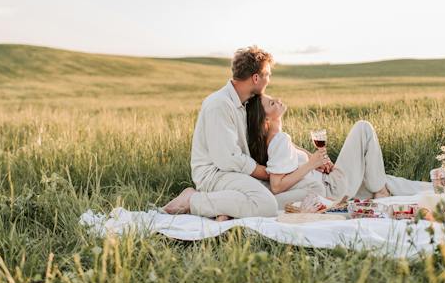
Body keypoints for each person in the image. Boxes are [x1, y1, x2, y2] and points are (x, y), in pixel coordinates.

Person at [162, 46, 278, 219]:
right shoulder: (219, 105)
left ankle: (224, 209)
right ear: (255, 78)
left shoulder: (245, 103)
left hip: (232, 173)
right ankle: (192, 200)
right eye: (267, 74)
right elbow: (228, 159)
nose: (269, 80)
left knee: (278, 194)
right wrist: (267, 173)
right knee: (267, 206)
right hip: (215, 175)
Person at [246, 93, 411, 209]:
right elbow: (276, 186)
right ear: (266, 119)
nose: (277, 100)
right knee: (363, 128)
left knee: (388, 180)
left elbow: (290, 150)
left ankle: (381, 187)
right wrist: (311, 164)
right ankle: (381, 192)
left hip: (328, 180)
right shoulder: (279, 141)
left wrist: (314, 159)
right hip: (332, 188)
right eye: (272, 103)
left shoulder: (278, 139)